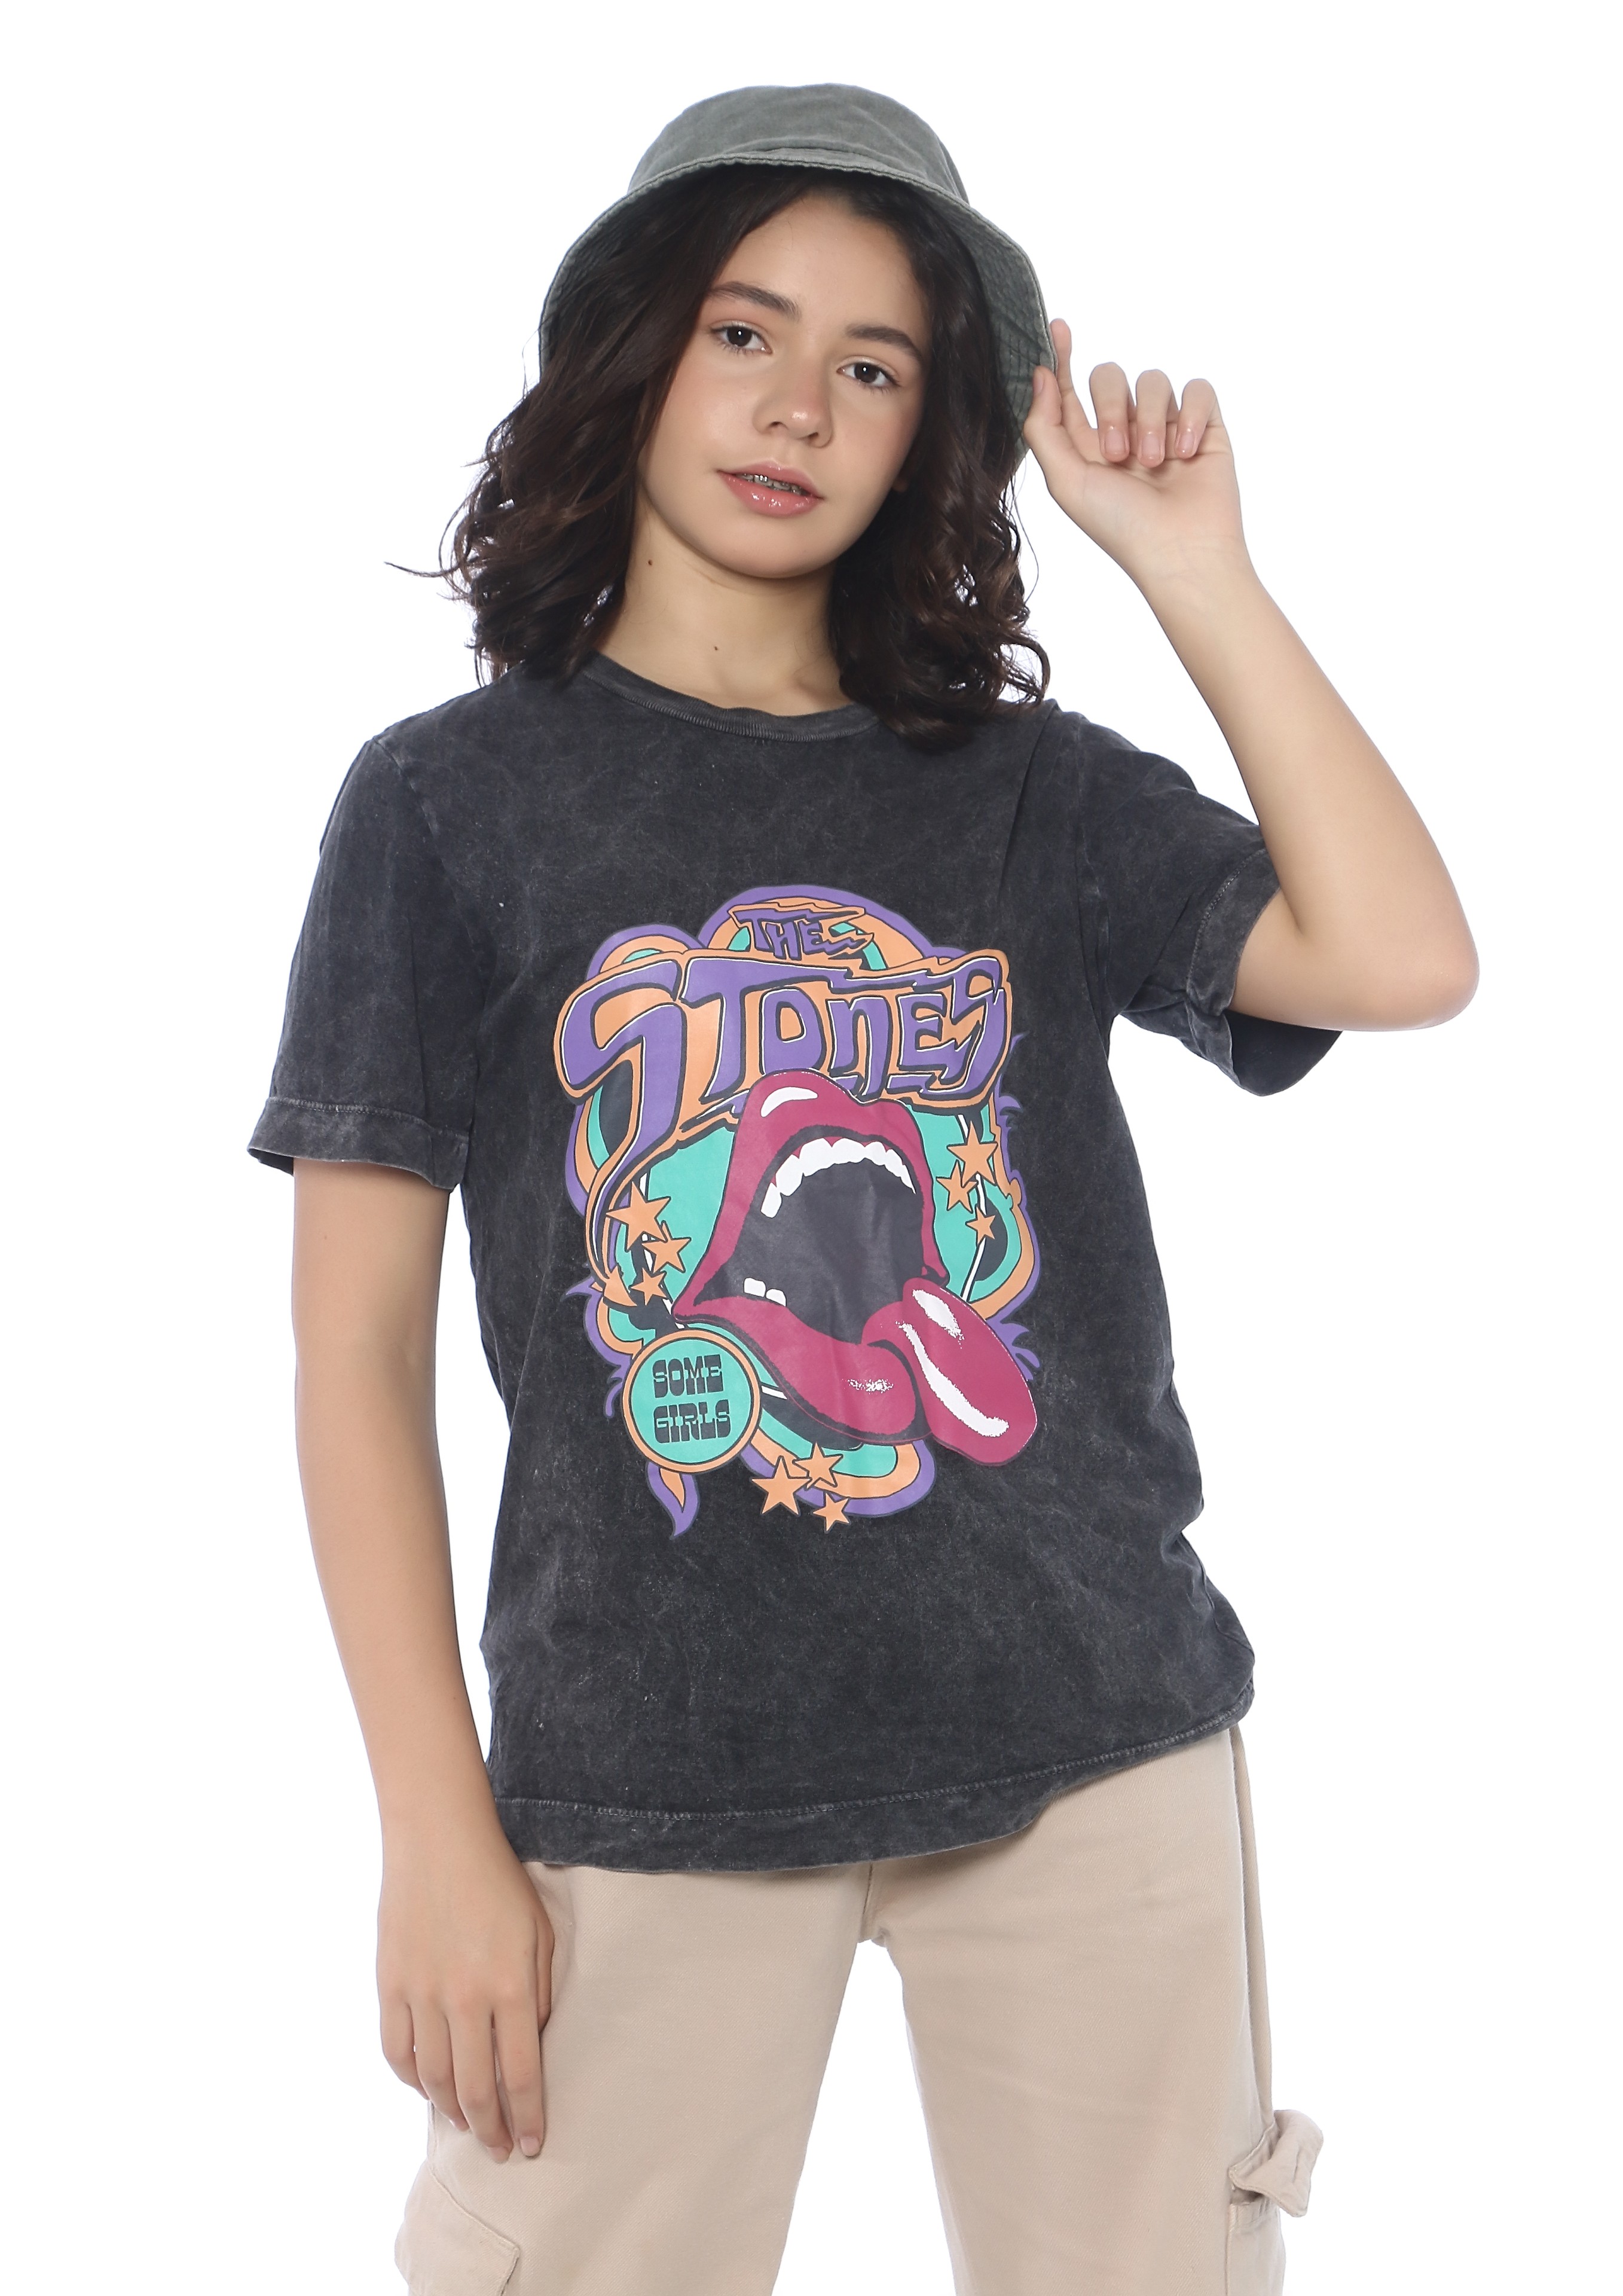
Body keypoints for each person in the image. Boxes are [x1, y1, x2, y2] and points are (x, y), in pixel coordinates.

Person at [252, 83, 1475, 2296]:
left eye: (876, 366)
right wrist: (431, 1828)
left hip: (1090, 1725)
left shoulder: (1023, 795)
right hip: (650, 1759)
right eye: (745, 332)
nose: (799, 407)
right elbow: (352, 1349)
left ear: (931, 435)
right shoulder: (448, 804)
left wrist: (1190, 567)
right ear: (636, 351)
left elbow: (1398, 957)